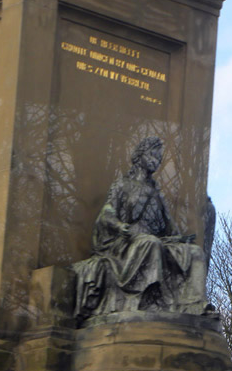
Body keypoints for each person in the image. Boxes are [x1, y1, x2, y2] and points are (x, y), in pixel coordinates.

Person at [74, 136, 213, 320]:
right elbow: (107, 212)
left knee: (195, 253)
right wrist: (119, 226)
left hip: (153, 241)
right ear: (140, 155)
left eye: (159, 159)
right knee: (151, 244)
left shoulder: (156, 193)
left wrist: (181, 239)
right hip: (126, 242)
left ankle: (194, 304)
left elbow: (169, 225)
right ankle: (148, 300)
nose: (156, 161)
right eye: (153, 155)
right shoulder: (122, 185)